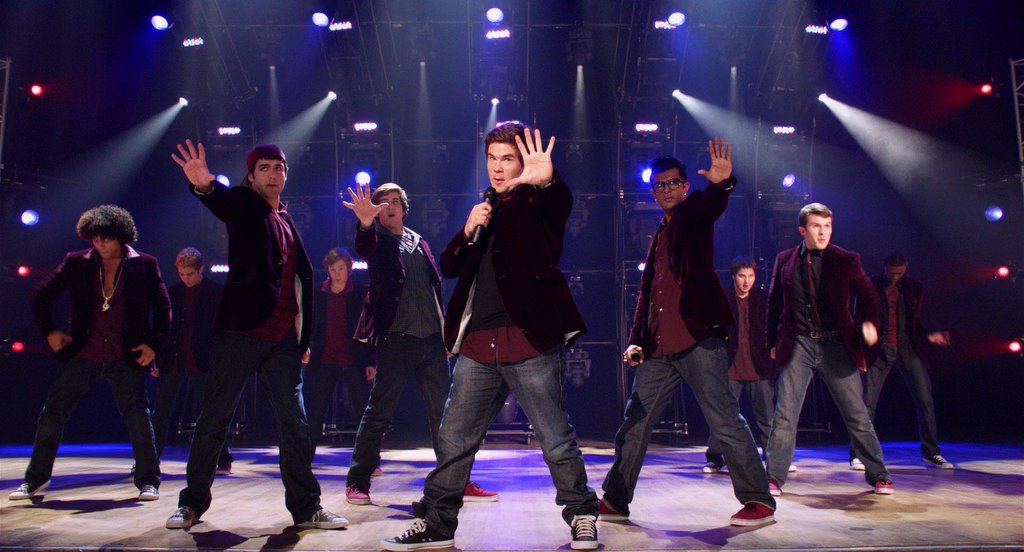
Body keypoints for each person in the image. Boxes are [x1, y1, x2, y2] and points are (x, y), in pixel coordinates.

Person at [380, 123, 599, 551]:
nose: (498, 168)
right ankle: (437, 523)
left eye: (507, 159)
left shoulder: (536, 201)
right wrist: (466, 230)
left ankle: (582, 515)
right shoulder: (486, 206)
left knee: (555, 438)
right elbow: (448, 266)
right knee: (453, 440)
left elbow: (559, 206)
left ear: (522, 162)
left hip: (528, 340)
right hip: (479, 344)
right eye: (492, 159)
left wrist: (547, 181)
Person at [166, 140, 346, 529]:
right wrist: (204, 185)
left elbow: (299, 282)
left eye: (278, 167)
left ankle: (306, 508)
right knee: (214, 418)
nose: (272, 174)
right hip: (241, 331)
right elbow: (225, 203)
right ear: (251, 176)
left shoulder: (286, 220)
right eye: (263, 167)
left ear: (286, 175)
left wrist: (301, 340)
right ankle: (191, 504)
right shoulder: (247, 206)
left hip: (282, 339)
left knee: (295, 424)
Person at [599, 146, 776, 529]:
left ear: (685, 186)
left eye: (673, 183)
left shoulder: (694, 214)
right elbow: (648, 294)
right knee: (635, 422)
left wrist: (722, 184)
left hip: (698, 339)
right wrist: (636, 339)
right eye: (659, 185)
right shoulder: (660, 233)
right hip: (659, 347)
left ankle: (759, 501)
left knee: (725, 419)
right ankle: (615, 500)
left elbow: (710, 206)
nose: (666, 189)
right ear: (653, 191)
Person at [341, 182, 497, 506]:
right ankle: (357, 481)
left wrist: (446, 335)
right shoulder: (378, 241)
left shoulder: (419, 241)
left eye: (395, 201)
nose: (390, 206)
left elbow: (432, 292)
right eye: (383, 202)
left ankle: (457, 481)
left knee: (446, 416)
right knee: (379, 413)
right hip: (397, 340)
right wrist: (365, 223)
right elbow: (365, 246)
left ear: (404, 207)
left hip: (431, 342)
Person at [11, 205, 169, 502]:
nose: (100, 244)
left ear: (121, 235)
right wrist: (50, 331)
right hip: (84, 352)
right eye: (94, 239)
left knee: (138, 416)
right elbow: (41, 296)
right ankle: (34, 480)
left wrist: (153, 345)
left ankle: (149, 481)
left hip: (125, 354)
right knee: (52, 414)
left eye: (105, 238)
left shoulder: (144, 264)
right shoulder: (77, 262)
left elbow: (163, 310)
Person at [765, 202, 893, 496]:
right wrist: (771, 342)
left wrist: (869, 323)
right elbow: (774, 303)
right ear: (802, 230)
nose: (823, 233)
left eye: (827, 227)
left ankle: (879, 474)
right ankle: (773, 477)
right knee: (785, 414)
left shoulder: (846, 259)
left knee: (856, 413)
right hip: (799, 342)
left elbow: (869, 298)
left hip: (836, 343)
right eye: (816, 226)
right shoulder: (785, 260)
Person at [849, 252, 954, 470]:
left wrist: (928, 337)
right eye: (892, 272)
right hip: (879, 350)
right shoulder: (870, 285)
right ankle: (858, 454)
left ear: (906, 267)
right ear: (884, 267)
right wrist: (865, 329)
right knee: (867, 404)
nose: (895, 276)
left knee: (925, 401)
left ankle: (931, 453)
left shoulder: (914, 288)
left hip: (907, 349)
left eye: (900, 272)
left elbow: (914, 321)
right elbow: (858, 317)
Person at [149, 247, 233, 474]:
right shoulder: (172, 293)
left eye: (190, 274)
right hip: (174, 358)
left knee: (212, 411)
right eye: (182, 274)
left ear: (200, 269)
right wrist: (157, 359)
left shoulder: (215, 292)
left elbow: (222, 330)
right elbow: (162, 329)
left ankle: (223, 458)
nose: (186, 279)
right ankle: (150, 460)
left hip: (202, 358)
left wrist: (221, 360)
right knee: (161, 410)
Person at [703, 256, 779, 474]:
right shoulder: (723, 298)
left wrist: (774, 348)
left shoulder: (763, 299)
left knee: (766, 416)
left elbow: (775, 326)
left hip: (759, 365)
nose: (747, 281)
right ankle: (715, 457)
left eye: (751, 276)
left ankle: (774, 458)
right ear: (733, 277)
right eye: (742, 276)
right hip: (731, 366)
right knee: (724, 415)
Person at [304, 246, 375, 459]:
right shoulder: (318, 293)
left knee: (362, 410)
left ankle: (369, 459)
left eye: (341, 268)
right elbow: (310, 323)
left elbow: (369, 329)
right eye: (333, 269)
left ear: (349, 269)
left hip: (353, 359)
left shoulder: (359, 293)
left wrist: (370, 361)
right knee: (316, 411)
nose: (337, 273)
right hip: (325, 359)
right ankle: (305, 459)